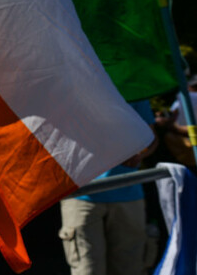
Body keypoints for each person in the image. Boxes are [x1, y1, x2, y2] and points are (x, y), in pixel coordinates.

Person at [59, 100, 158, 275]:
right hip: (81, 195)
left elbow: (150, 136)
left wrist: (140, 153)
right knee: (87, 271)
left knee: (130, 269)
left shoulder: (133, 85)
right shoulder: (67, 82)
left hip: (128, 193)